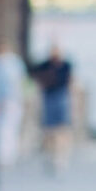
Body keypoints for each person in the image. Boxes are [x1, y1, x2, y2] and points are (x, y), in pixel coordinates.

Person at [32, 44, 74, 176]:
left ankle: (60, 158)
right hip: (49, 98)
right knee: (49, 131)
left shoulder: (65, 65)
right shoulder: (45, 65)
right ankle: (50, 155)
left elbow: (69, 81)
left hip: (61, 97)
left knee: (61, 130)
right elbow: (37, 75)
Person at [0, 37, 28, 166]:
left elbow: (21, 81)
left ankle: (9, 155)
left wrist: (23, 98)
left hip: (12, 99)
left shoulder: (14, 63)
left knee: (10, 128)